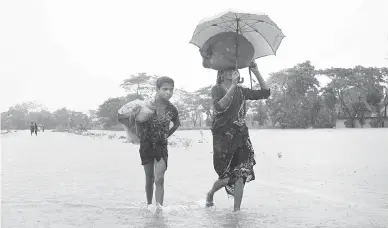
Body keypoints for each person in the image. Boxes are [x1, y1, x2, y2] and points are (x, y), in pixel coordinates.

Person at [205, 61, 271, 212]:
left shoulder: (242, 91)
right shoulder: (216, 89)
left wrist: (256, 72)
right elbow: (219, 106)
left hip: (241, 136)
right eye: (227, 69)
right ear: (221, 73)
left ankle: (236, 214)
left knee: (241, 174)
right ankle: (210, 193)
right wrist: (233, 86)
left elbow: (265, 93)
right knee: (226, 178)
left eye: (233, 69)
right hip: (223, 137)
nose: (231, 71)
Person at [137, 76, 180, 207]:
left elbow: (177, 124)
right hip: (146, 145)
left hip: (161, 147)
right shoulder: (146, 106)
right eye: (165, 89)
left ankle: (159, 210)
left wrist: (167, 135)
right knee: (149, 179)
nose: (168, 92)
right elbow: (138, 125)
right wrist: (136, 122)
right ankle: (149, 205)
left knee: (159, 179)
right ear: (157, 89)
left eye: (171, 90)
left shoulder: (172, 109)